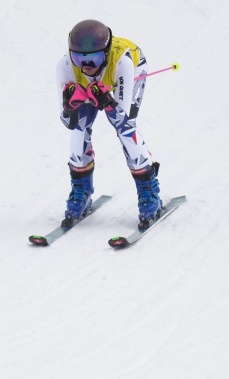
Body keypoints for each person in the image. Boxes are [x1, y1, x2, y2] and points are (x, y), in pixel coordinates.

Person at [56, 19, 164, 228]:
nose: (87, 67)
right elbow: (68, 122)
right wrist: (70, 106)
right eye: (79, 59)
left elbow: (124, 117)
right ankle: (82, 190)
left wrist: (107, 102)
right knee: (79, 128)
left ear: (105, 54)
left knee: (124, 128)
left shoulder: (121, 61)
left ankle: (149, 192)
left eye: (94, 59)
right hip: (92, 86)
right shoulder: (65, 66)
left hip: (129, 71)